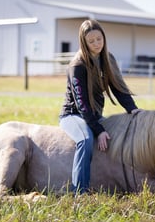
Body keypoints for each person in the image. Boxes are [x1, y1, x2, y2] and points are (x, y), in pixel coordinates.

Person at [59, 19, 141, 194]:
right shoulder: (77, 65)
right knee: (86, 139)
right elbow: (82, 104)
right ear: (84, 42)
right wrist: (98, 129)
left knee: (118, 137)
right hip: (74, 115)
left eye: (99, 39)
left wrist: (133, 109)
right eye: (91, 41)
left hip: (93, 114)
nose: (96, 44)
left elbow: (118, 87)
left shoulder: (108, 58)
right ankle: (79, 192)